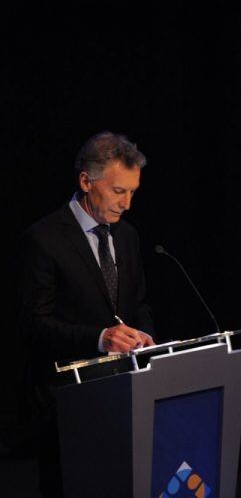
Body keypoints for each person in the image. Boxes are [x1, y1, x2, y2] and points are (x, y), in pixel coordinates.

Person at [18, 131, 156, 497]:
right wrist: (100, 338)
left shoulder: (127, 236)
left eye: (133, 192)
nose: (126, 204)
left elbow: (137, 305)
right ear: (86, 181)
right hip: (64, 402)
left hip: (122, 393)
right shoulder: (43, 239)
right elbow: (34, 325)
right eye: (118, 191)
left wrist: (144, 337)